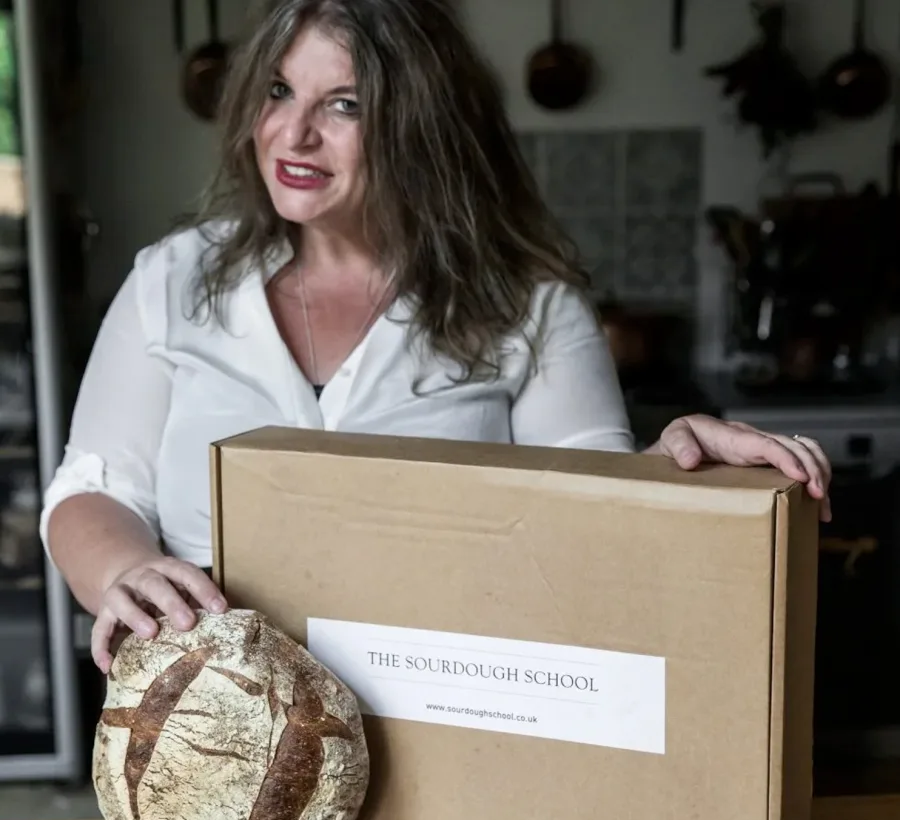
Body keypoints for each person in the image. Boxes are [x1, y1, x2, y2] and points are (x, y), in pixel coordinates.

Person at [40, 0, 832, 674]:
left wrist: (678, 468)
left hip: (450, 734)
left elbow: (596, 526)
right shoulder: (173, 280)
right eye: (280, 90)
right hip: (208, 735)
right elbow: (93, 491)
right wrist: (126, 567)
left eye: (344, 104)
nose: (294, 133)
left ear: (423, 124)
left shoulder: (530, 304)